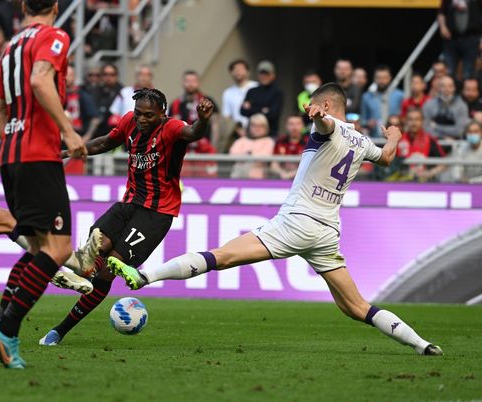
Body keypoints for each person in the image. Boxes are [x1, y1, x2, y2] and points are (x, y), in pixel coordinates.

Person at [110, 83, 443, 357]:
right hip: (326, 232)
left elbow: (325, 125)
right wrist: (395, 135)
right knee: (355, 307)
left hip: (297, 222)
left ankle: (144, 275)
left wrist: (317, 115)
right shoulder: (362, 141)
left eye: (315, 105)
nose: (313, 112)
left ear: (326, 104)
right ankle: (421, 344)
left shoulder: (327, 126)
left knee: (221, 256)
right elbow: (385, 157)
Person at [38, 90, 214, 346]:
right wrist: (67, 152)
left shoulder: (172, 128)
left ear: (162, 114)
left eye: (148, 115)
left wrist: (203, 120)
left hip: (156, 213)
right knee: (96, 244)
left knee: (108, 270)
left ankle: (60, 329)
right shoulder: (129, 121)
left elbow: (193, 133)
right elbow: (104, 143)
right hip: (129, 203)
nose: (141, 119)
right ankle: (84, 273)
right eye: (139, 113)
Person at [0, 0, 87, 369]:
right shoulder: (53, 36)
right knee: (58, 250)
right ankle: (6, 329)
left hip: (10, 157)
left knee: (38, 247)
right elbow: (40, 79)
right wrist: (68, 132)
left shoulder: (10, 47)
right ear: (56, 6)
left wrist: (15, 141)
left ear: (24, 5)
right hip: (37, 157)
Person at [169, 70, 220, 149]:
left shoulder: (207, 102)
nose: (190, 84)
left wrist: (213, 148)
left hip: (204, 148)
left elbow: (216, 127)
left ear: (198, 83)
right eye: (187, 81)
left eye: (193, 81)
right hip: (183, 149)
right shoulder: (176, 104)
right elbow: (170, 129)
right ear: (182, 83)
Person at [397, 107, 447, 182]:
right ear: (406, 121)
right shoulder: (399, 140)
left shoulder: (430, 140)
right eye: (410, 119)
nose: (414, 123)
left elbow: (443, 164)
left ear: (422, 121)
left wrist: (429, 173)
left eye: (417, 119)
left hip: (424, 183)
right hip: (401, 182)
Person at [438, 0, 482, 80]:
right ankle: (450, 92)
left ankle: (466, 91)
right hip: (451, 39)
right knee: (449, 71)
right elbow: (441, 13)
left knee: (468, 73)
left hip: (471, 38)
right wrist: (443, 27)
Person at [241, 60, 283, 137]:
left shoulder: (277, 93)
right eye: (262, 74)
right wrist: (263, 110)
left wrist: (252, 108)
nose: (264, 76)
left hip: (270, 134)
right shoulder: (251, 91)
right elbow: (243, 111)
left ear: (273, 75)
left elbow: (273, 114)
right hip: (251, 134)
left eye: (267, 74)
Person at [361, 65, 404, 137]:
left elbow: (405, 117)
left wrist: (398, 119)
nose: (381, 81)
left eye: (384, 78)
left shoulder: (400, 95)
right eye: (379, 78)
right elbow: (362, 119)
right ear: (374, 78)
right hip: (374, 138)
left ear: (390, 78)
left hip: (395, 137)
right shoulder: (367, 97)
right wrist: (368, 123)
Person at [229, 113, 274, 179]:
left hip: (259, 179)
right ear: (249, 127)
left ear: (266, 127)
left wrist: (248, 155)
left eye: (261, 126)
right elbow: (232, 155)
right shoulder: (241, 140)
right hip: (238, 177)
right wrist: (249, 155)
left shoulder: (269, 141)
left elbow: (265, 156)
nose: (257, 128)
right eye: (254, 125)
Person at [423, 75, 469, 139]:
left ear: (454, 88)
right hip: (433, 141)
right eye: (443, 86)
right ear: (439, 88)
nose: (446, 89)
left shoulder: (461, 106)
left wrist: (437, 126)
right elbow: (425, 128)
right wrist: (442, 137)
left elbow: (459, 131)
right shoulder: (429, 104)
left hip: (456, 141)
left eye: (450, 86)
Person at [221, 59, 257, 129]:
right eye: (234, 69)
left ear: (248, 72)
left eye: (240, 69)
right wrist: (236, 130)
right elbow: (226, 116)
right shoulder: (228, 93)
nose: (237, 71)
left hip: (257, 129)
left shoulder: (256, 87)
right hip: (237, 132)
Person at [271, 115, 307, 180]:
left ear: (303, 126)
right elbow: (274, 164)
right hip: (282, 179)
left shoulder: (309, 143)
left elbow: (310, 165)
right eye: (291, 124)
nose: (294, 127)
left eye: (298, 124)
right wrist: (281, 173)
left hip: (303, 180)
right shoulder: (280, 142)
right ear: (286, 126)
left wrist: (292, 174)